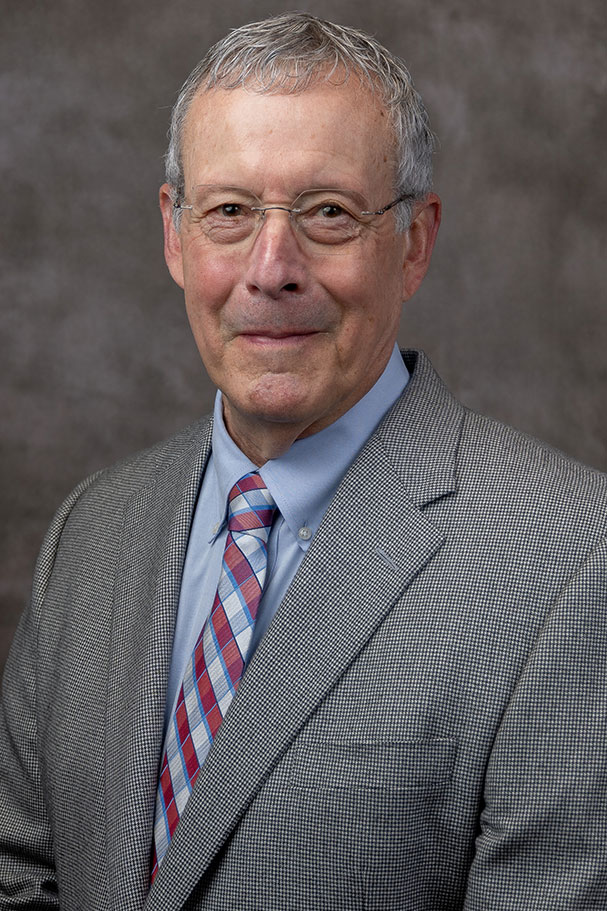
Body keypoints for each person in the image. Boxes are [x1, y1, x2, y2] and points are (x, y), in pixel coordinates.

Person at [1, 12, 606, 910]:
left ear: (414, 243)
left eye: (327, 212)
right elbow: (21, 870)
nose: (271, 267)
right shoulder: (91, 531)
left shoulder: (570, 556)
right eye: (230, 212)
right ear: (176, 234)